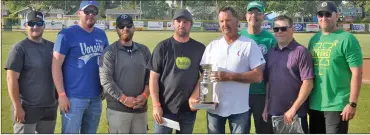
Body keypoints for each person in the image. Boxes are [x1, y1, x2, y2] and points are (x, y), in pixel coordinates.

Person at [191, 7, 265, 134]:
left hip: (239, 109)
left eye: (228, 20)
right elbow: (205, 75)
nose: (225, 24)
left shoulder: (249, 44)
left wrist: (229, 76)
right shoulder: (212, 46)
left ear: (237, 22)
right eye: (221, 21)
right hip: (214, 108)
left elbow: (258, 76)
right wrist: (194, 97)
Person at [52, 0, 109, 133]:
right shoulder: (66, 34)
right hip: (73, 98)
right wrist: (61, 94)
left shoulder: (101, 35)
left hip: (96, 97)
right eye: (87, 11)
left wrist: (105, 88)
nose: (90, 14)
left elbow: (106, 64)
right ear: (79, 13)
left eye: (94, 11)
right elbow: (55, 66)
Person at [147, 9, 206, 134]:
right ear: (173, 23)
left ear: (191, 24)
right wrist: (156, 105)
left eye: (185, 22)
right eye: (178, 21)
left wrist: (197, 97)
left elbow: (206, 75)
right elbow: (153, 78)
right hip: (165, 109)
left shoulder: (199, 48)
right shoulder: (162, 47)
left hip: (188, 111)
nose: (181, 24)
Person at [308, 1, 363, 134]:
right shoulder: (314, 39)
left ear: (336, 15)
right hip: (315, 104)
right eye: (320, 15)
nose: (324, 18)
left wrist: (352, 103)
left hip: (337, 105)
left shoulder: (347, 39)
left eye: (328, 14)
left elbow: (357, 73)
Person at [5, 10, 57, 134]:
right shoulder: (19, 49)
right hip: (27, 108)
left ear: (44, 25)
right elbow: (11, 79)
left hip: (50, 107)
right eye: (31, 23)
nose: (35, 27)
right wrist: (17, 107)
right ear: (25, 25)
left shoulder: (53, 47)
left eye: (39, 23)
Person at [99, 14, 151, 134]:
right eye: (121, 26)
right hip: (118, 111)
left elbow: (150, 77)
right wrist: (124, 99)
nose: (125, 29)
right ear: (117, 29)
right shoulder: (109, 52)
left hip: (140, 110)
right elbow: (106, 80)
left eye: (128, 25)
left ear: (133, 27)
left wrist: (144, 95)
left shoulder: (144, 50)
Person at [263, 15, 314, 134]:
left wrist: (293, 109)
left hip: (295, 115)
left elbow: (308, 83)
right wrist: (266, 107)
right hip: (273, 113)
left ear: (292, 29)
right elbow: (269, 83)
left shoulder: (301, 51)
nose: (279, 32)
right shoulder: (271, 53)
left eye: (283, 28)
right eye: (276, 29)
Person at [238, 1, 277, 133]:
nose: (254, 15)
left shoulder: (270, 40)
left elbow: (273, 70)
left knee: (264, 131)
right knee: (241, 131)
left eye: (258, 13)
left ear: (263, 16)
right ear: (246, 15)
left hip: (262, 94)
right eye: (250, 12)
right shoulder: (239, 37)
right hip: (241, 92)